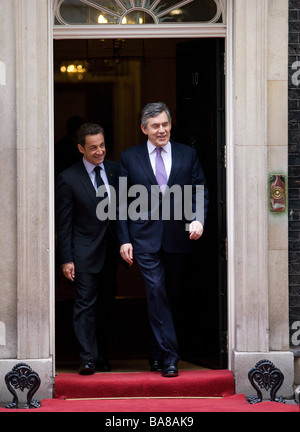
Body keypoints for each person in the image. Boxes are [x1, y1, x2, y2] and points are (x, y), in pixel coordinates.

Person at [117, 102, 209, 377]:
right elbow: (121, 201)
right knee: (156, 291)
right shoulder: (129, 157)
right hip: (143, 238)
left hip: (177, 238)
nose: (161, 130)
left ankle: (156, 354)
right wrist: (124, 239)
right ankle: (170, 357)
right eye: (155, 125)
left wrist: (198, 218)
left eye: (165, 124)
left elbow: (199, 190)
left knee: (168, 296)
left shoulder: (187, 154)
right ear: (144, 128)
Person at [56, 123, 119, 375]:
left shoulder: (116, 171)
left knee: (106, 306)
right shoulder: (68, 178)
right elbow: (64, 223)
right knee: (85, 305)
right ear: (81, 148)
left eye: (102, 145)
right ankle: (87, 358)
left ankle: (102, 355)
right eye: (93, 147)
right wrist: (66, 259)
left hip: (110, 252)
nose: (99, 151)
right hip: (82, 253)